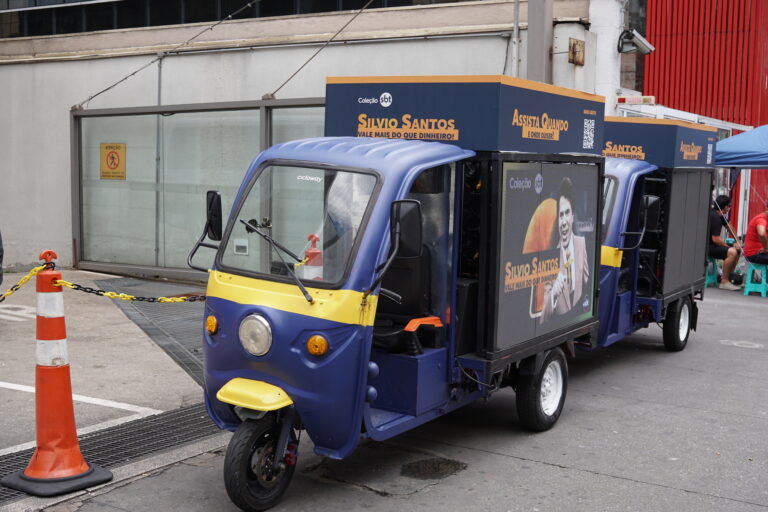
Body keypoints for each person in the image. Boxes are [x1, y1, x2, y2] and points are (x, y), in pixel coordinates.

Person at [541, 177, 590, 323]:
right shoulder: (551, 255)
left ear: (573, 217)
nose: (563, 222)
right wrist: (553, 295)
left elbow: (586, 281)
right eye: (560, 215)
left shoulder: (581, 244)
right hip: (560, 324)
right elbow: (543, 317)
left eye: (567, 213)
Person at [708, 195, 741, 290]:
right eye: (729, 206)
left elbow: (730, 227)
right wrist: (728, 247)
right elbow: (716, 239)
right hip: (708, 247)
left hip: (713, 245)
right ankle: (724, 281)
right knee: (732, 252)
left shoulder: (720, 215)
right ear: (725, 207)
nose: (729, 208)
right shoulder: (715, 217)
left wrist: (737, 241)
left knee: (737, 250)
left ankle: (730, 278)